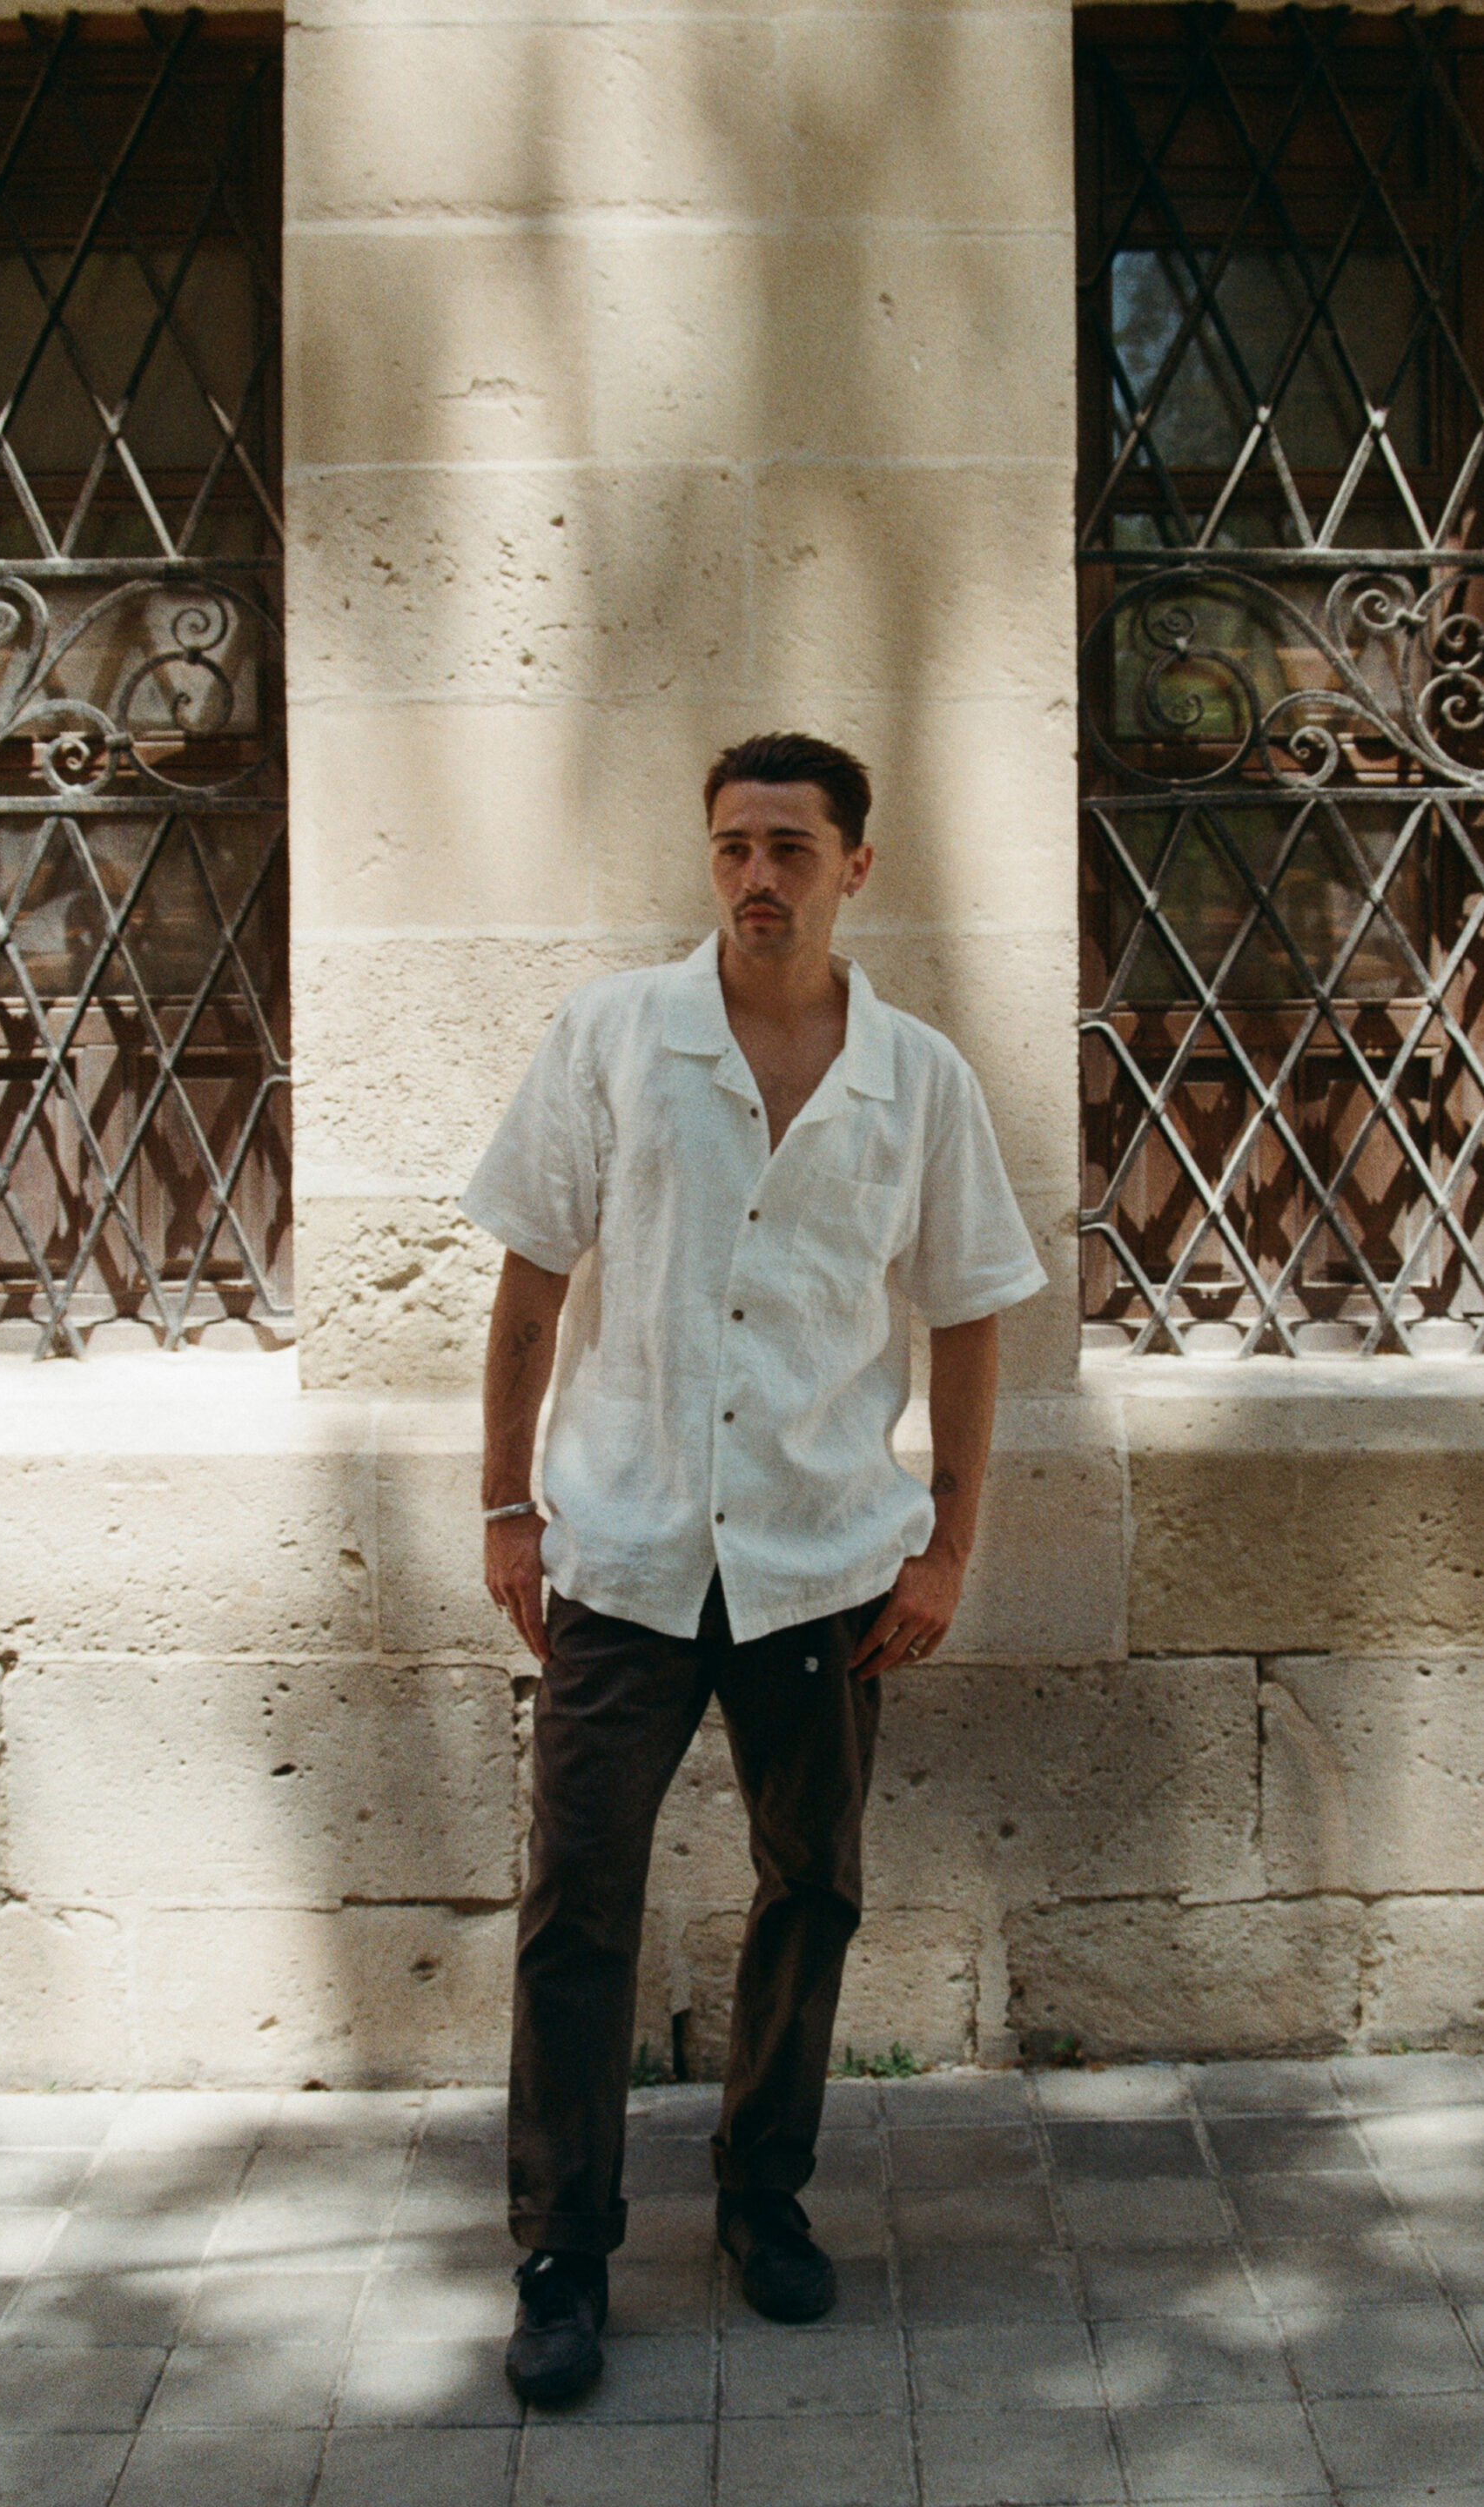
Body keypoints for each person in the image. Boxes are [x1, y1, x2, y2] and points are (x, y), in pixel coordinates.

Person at [460, 730, 1045, 2403]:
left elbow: (970, 1310)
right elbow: (527, 1286)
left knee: (814, 1891)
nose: (757, 877)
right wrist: (508, 1507)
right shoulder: (615, 1040)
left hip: (821, 1565)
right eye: (731, 846)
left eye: (790, 847)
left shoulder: (916, 1075)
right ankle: (561, 2253)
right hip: (626, 1549)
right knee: (578, 1909)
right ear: (705, 859)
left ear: (855, 866)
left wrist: (947, 1542)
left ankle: (761, 2198)